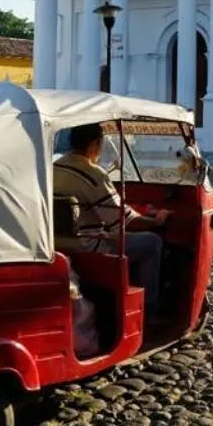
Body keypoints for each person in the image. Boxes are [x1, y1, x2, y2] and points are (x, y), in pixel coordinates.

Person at [50, 121, 166, 322]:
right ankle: (148, 312)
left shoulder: (54, 168)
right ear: (95, 144)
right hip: (88, 247)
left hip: (57, 245)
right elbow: (123, 222)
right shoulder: (93, 174)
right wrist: (156, 220)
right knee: (152, 243)